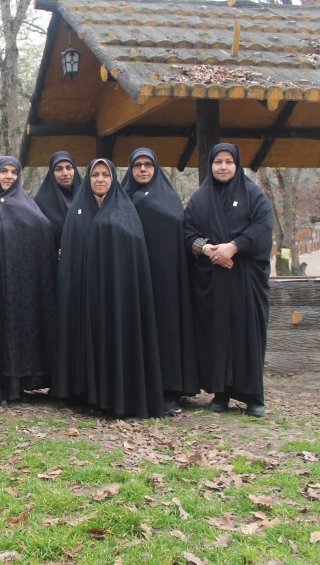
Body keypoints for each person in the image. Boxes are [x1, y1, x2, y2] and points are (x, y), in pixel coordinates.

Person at [53, 158, 165, 419]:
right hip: (85, 295)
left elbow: (133, 252)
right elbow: (69, 254)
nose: (100, 179)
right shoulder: (78, 211)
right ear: (88, 178)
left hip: (117, 296)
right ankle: (87, 393)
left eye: (106, 175)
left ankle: (118, 393)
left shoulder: (125, 211)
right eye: (95, 175)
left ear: (113, 179)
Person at [184, 143, 273, 417]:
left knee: (247, 334)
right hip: (213, 282)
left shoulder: (254, 195)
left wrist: (234, 247)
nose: (223, 167)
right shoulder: (200, 198)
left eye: (229, 162)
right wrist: (208, 250)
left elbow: (262, 227)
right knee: (216, 334)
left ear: (237, 165)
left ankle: (253, 396)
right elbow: (187, 231)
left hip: (245, 279)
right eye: (218, 162)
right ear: (210, 165)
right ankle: (220, 392)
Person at [0, 156, 56, 405]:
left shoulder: (27, 204)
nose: (9, 176)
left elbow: (43, 230)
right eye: (4, 171)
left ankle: (20, 385)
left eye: (14, 172)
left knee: (19, 331)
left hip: (22, 282)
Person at [122, 148, 199, 415]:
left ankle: (169, 389)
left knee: (165, 330)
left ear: (156, 168)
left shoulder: (170, 199)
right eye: (137, 165)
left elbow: (182, 234)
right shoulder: (122, 198)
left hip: (166, 280)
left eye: (148, 164)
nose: (143, 169)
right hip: (132, 276)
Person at [34, 151, 83, 248]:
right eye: (59, 169)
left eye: (69, 168)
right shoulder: (42, 202)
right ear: (52, 173)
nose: (65, 173)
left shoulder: (88, 196)